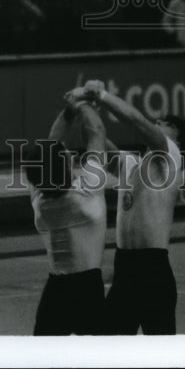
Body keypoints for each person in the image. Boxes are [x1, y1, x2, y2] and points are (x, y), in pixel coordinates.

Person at [69, 79, 185, 335]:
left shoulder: (171, 159)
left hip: (153, 271)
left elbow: (137, 121)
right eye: (160, 121)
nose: (159, 123)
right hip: (125, 270)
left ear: (178, 143)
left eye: (168, 125)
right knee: (109, 350)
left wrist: (101, 95)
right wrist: (84, 107)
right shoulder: (131, 164)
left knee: (162, 359)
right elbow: (95, 138)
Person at [26, 96, 109, 336]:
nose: (71, 152)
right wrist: (83, 101)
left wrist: (69, 111)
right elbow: (97, 131)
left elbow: (50, 145)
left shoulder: (39, 201)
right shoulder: (88, 192)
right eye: (67, 153)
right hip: (87, 292)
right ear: (64, 164)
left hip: (55, 292)